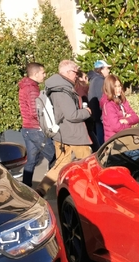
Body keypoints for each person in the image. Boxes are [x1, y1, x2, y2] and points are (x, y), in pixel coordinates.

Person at [35, 60, 92, 197]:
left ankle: (40, 190)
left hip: (62, 133)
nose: (77, 76)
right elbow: (71, 115)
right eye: (75, 73)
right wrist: (87, 112)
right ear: (67, 72)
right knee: (89, 164)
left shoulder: (57, 87)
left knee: (61, 163)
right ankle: (90, 192)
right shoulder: (62, 90)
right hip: (73, 133)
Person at [18, 62, 55, 187]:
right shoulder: (32, 89)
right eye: (43, 72)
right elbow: (36, 112)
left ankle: (26, 188)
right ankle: (49, 188)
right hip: (36, 130)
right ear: (35, 73)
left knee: (31, 162)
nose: (45, 75)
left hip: (28, 129)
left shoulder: (25, 87)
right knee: (55, 159)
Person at [99, 74, 139, 138]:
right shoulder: (108, 104)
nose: (118, 89)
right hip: (114, 141)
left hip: (125, 137)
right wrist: (128, 122)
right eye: (115, 86)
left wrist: (125, 120)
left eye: (119, 86)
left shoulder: (122, 100)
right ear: (110, 88)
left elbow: (136, 118)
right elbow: (116, 127)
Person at [87, 60, 111, 144]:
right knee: (103, 139)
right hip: (100, 115)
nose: (108, 70)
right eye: (107, 68)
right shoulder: (99, 80)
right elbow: (103, 98)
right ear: (101, 69)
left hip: (97, 114)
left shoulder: (95, 79)